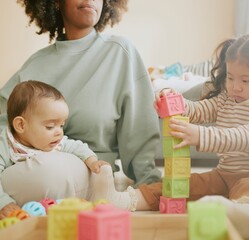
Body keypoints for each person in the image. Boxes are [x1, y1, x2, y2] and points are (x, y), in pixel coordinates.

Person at [134, 34, 249, 239]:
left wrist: (200, 135)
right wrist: (172, 98)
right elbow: (197, 110)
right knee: (184, 184)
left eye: (245, 80)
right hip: (223, 174)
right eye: (230, 78)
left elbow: (246, 136)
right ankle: (129, 199)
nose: (235, 86)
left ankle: (247, 217)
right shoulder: (225, 100)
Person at [0, 0, 161, 209]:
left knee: (52, 173)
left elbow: (140, 132)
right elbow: (6, 128)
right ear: (56, 2)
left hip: (88, 172)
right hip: (21, 170)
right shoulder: (34, 65)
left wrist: (150, 188)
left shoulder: (120, 53)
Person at [0, 81, 138, 219]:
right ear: (21, 125)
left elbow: (78, 147)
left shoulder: (56, 141)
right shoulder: (5, 145)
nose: (59, 132)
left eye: (61, 125)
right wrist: (3, 203)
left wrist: (92, 162)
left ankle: (99, 199)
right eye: (50, 126)